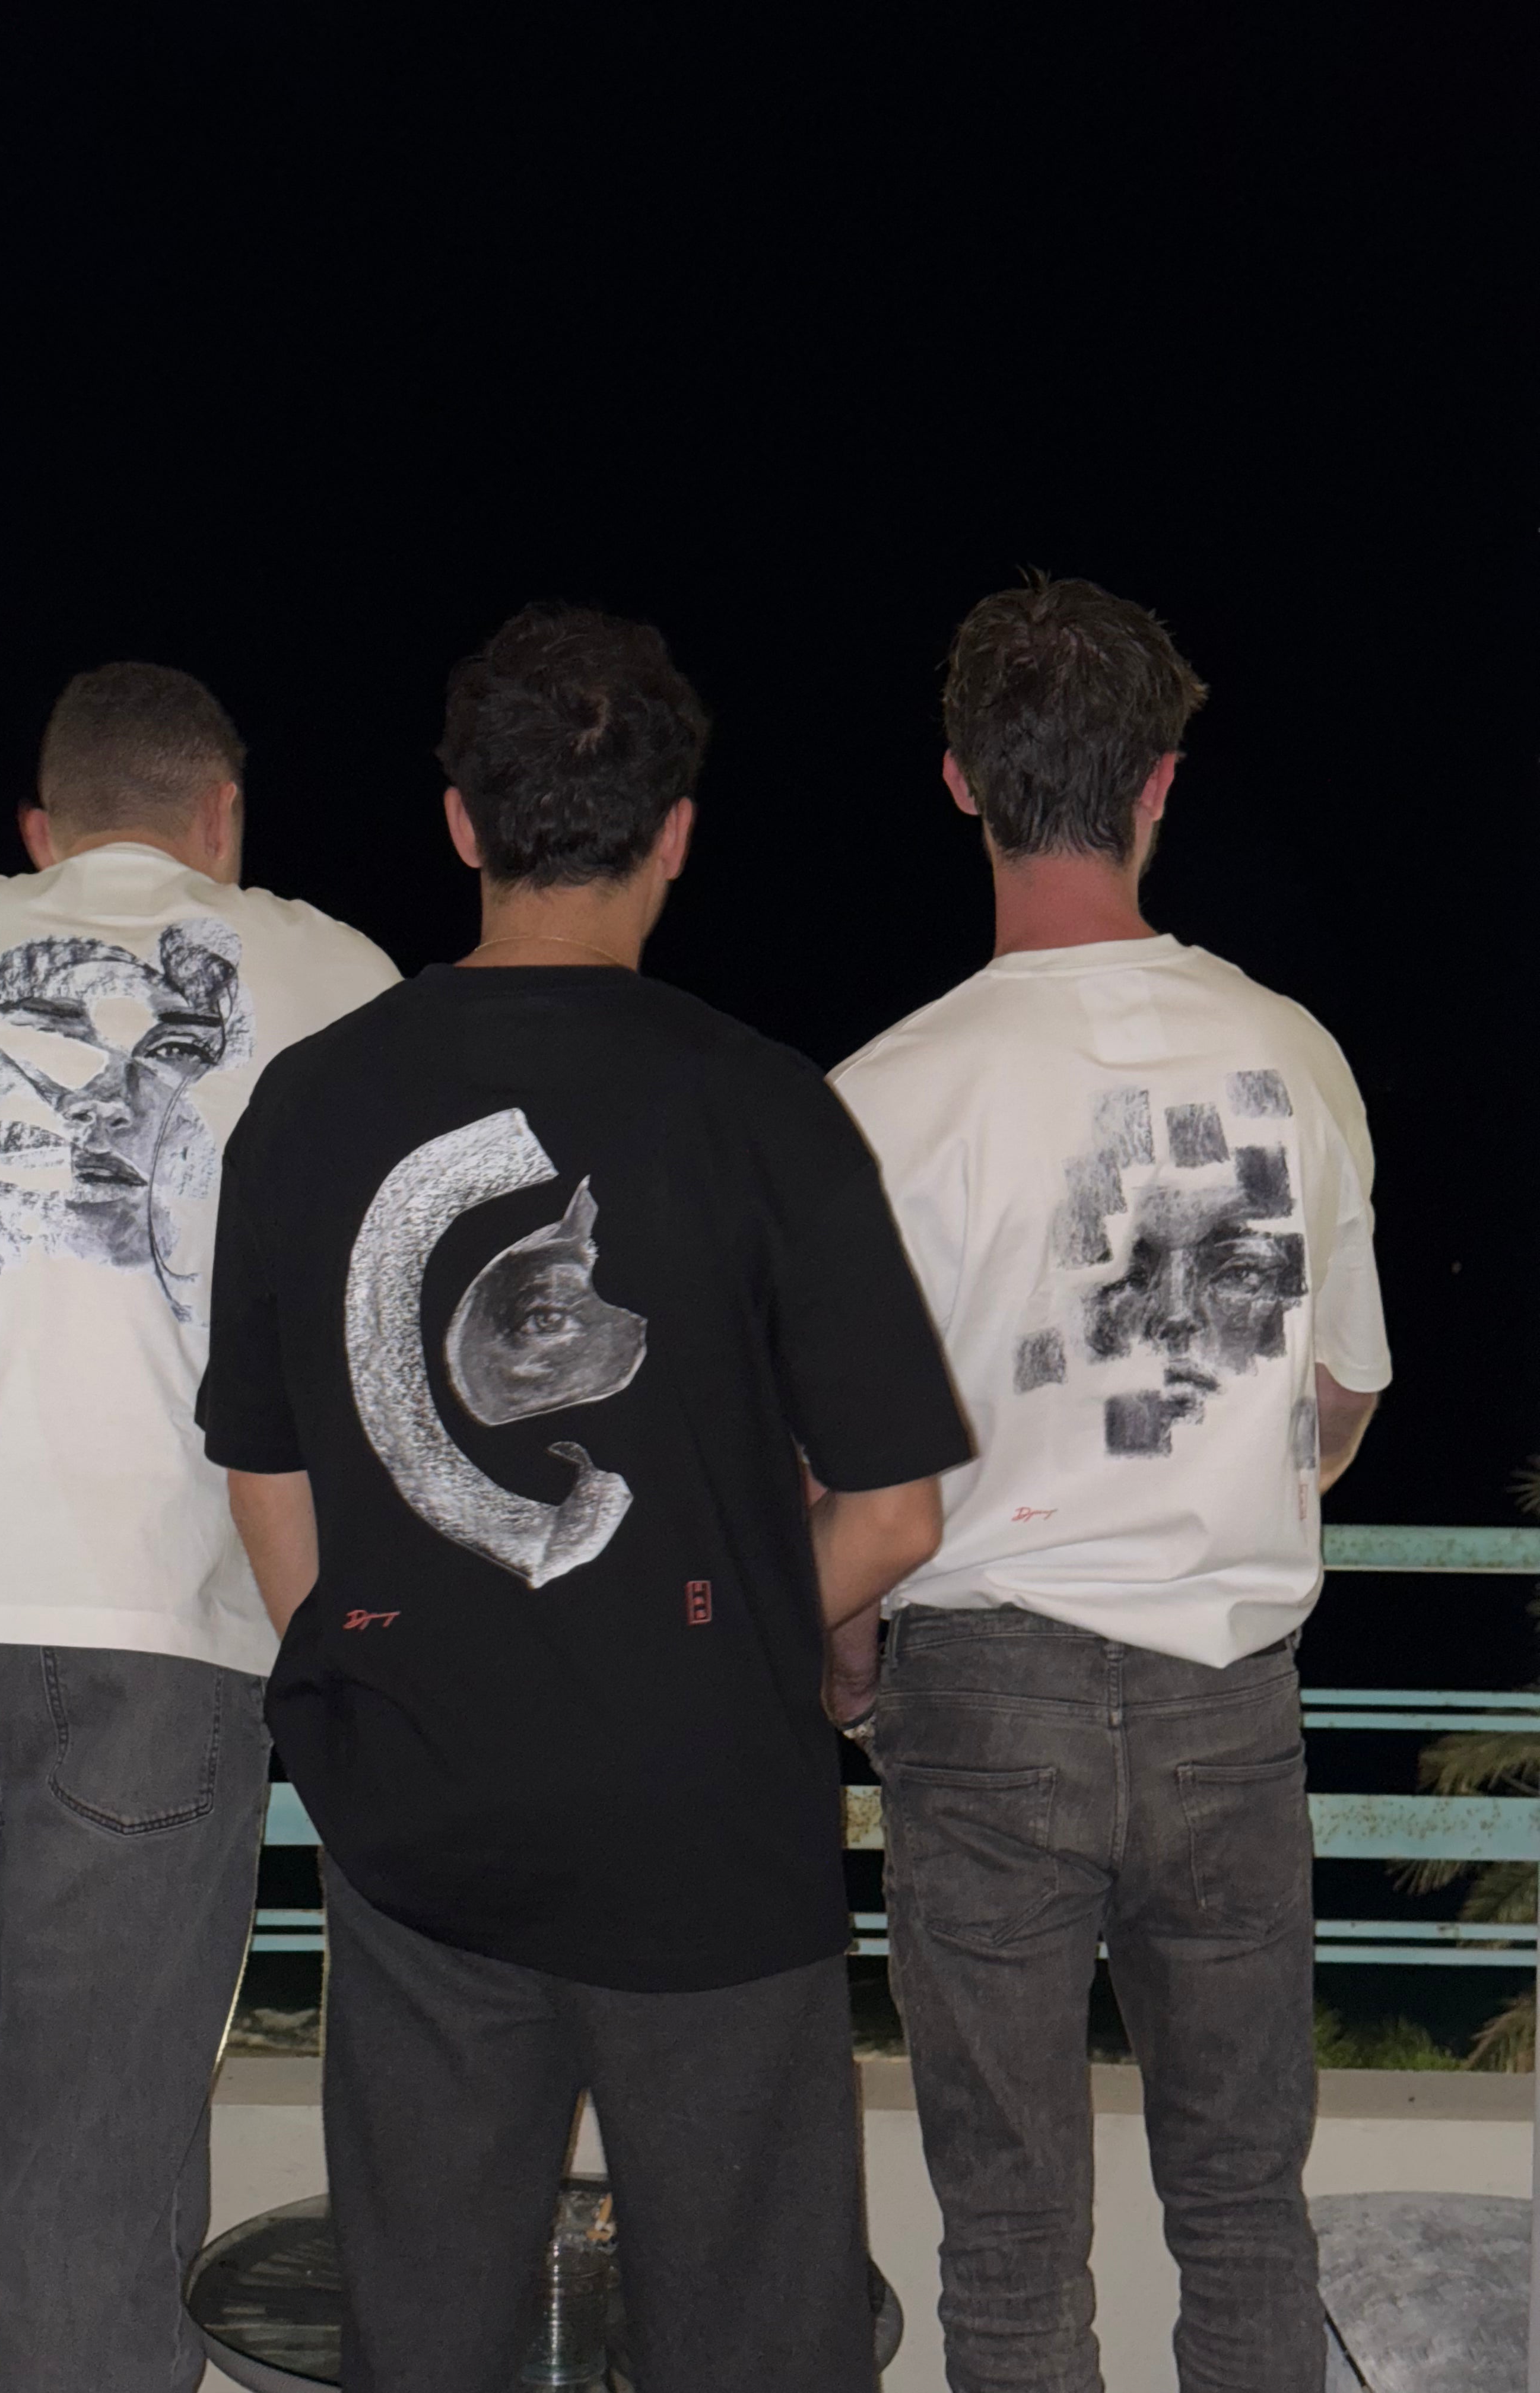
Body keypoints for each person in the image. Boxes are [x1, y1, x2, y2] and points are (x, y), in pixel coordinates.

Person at [201, 602, 969, 2393]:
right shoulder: (765, 1107)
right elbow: (896, 1515)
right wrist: (719, 1637)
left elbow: (265, 1470)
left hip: (422, 1819)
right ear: (678, 836)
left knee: (425, 2337)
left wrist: (370, 1686)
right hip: (709, 1831)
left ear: (459, 823)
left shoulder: (309, 1105)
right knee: (754, 2339)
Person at [0, 662, 399, 2393]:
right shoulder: (337, 976)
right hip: (163, 1617)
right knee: (101, 2177)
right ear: (225, 818)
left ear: (40, 832)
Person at [832, 576, 1391, 2393]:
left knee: (1012, 2248)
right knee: (1245, 2217)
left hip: (985, 1707)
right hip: (1229, 1706)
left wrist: (848, 1664)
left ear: (960, 782)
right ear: (1160, 784)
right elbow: (1337, 1399)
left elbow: (843, 1469)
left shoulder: (887, 1099)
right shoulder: (1293, 1057)